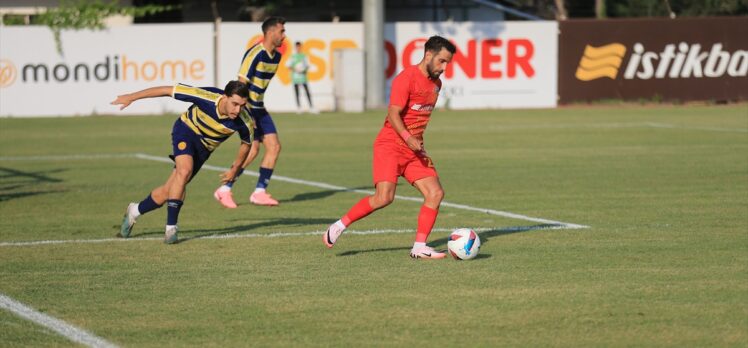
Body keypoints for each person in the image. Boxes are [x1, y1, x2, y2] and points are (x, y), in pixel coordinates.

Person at [323, 35, 456, 259]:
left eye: (447, 63)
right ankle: (338, 225)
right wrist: (407, 136)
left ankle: (419, 247)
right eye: (442, 61)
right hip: (391, 145)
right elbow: (393, 113)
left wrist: (415, 141)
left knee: (435, 193)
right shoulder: (406, 78)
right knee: (384, 198)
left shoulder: (436, 84)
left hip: (414, 151)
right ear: (428, 55)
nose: (444, 68)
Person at [113, 81, 254, 244]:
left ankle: (134, 211)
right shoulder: (206, 97)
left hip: (204, 149)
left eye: (242, 105)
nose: (237, 110)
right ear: (225, 97)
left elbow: (246, 144)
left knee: (169, 191)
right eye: (234, 104)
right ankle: (171, 228)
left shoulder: (245, 120)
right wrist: (132, 97)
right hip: (186, 131)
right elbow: (167, 90)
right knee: (184, 171)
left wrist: (234, 169)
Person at [213, 16, 286, 209]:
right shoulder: (255, 53)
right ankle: (225, 189)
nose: (283, 36)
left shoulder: (277, 57)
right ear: (270, 32)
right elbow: (241, 82)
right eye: (281, 31)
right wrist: (245, 112)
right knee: (253, 150)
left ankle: (258, 192)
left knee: (273, 147)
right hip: (250, 108)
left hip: (260, 108)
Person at [286, 41, 318, 114]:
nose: (298, 48)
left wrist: (303, 70)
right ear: (295, 47)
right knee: (297, 93)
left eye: (299, 46)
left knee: (307, 92)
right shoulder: (292, 56)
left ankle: (311, 107)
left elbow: (308, 65)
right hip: (295, 78)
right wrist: (296, 69)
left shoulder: (304, 56)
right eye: (297, 47)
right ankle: (299, 108)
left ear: (301, 47)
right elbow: (288, 66)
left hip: (303, 77)